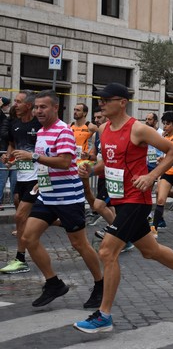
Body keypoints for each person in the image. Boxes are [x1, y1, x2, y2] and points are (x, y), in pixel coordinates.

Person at [73, 83, 173, 333]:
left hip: (137, 199)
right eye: (99, 100)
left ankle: (104, 315)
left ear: (122, 102)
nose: (101, 104)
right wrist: (91, 169)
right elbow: (108, 162)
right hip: (120, 198)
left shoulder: (138, 129)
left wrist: (151, 176)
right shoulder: (103, 129)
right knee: (150, 250)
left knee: (107, 251)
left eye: (106, 99)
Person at [13, 90, 103, 309]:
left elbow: (64, 162)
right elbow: (47, 162)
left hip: (68, 197)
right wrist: (38, 181)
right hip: (47, 194)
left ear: (55, 108)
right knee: (28, 238)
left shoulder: (63, 130)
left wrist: (32, 156)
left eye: (43, 107)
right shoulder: (43, 131)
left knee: (79, 244)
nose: (38, 111)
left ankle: (101, 285)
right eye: (36, 107)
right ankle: (53, 283)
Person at [0, 90, 42, 274]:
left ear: (29, 105)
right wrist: (8, 156)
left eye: (19, 101)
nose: (15, 105)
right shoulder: (15, 124)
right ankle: (68, 221)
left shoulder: (39, 125)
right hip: (22, 176)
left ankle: (20, 258)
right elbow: (13, 144)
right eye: (15, 101)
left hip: (36, 178)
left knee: (20, 216)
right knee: (23, 210)